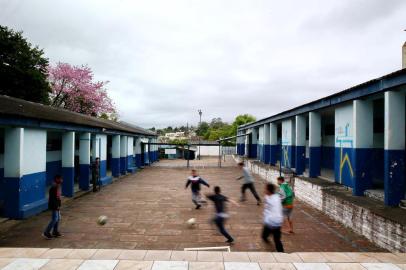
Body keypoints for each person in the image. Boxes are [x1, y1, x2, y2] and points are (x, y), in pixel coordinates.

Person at [262, 183, 284, 252]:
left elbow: (275, 212)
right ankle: (278, 250)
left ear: (268, 190)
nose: (264, 190)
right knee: (265, 236)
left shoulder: (274, 199)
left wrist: (268, 220)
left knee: (276, 240)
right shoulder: (272, 196)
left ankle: (281, 253)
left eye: (265, 189)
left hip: (273, 223)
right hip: (273, 222)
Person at [43, 175, 63, 239]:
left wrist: (59, 205)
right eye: (60, 179)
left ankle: (55, 231)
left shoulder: (58, 186)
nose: (61, 180)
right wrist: (56, 206)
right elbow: (53, 198)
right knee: (54, 219)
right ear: (56, 179)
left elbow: (58, 197)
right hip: (54, 205)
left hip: (57, 205)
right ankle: (46, 232)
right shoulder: (54, 187)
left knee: (58, 218)